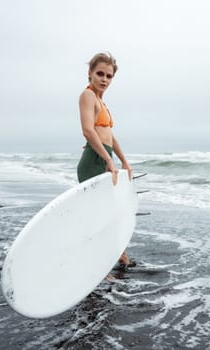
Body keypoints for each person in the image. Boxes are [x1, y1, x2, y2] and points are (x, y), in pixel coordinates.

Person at [77, 52, 133, 267]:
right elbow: (88, 132)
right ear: (90, 73)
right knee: (99, 218)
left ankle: (118, 257)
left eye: (109, 76)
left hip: (103, 157)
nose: (104, 79)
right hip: (93, 161)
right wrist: (108, 161)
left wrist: (123, 161)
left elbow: (109, 136)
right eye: (100, 74)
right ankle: (98, 265)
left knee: (109, 214)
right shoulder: (88, 96)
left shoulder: (101, 101)